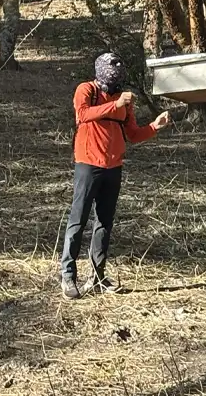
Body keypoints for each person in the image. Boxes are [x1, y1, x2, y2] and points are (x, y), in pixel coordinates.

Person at [60, 52, 171, 300]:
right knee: (77, 221)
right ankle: (68, 275)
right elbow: (83, 115)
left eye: (119, 78)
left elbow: (132, 134)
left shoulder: (125, 101)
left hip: (114, 167)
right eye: (112, 77)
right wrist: (115, 105)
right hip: (88, 164)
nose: (116, 83)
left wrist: (154, 126)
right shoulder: (86, 89)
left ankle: (97, 276)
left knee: (104, 223)